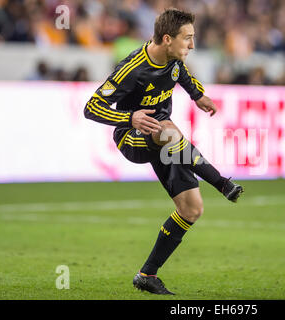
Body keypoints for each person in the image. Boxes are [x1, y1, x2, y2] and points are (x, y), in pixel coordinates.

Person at [83, 8, 243, 295]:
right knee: (166, 128)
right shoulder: (132, 68)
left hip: (168, 142)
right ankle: (222, 182)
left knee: (192, 209)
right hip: (132, 138)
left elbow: (182, 75)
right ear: (167, 39)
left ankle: (147, 275)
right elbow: (91, 107)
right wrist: (129, 118)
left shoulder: (174, 60)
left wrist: (199, 96)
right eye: (188, 39)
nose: (192, 45)